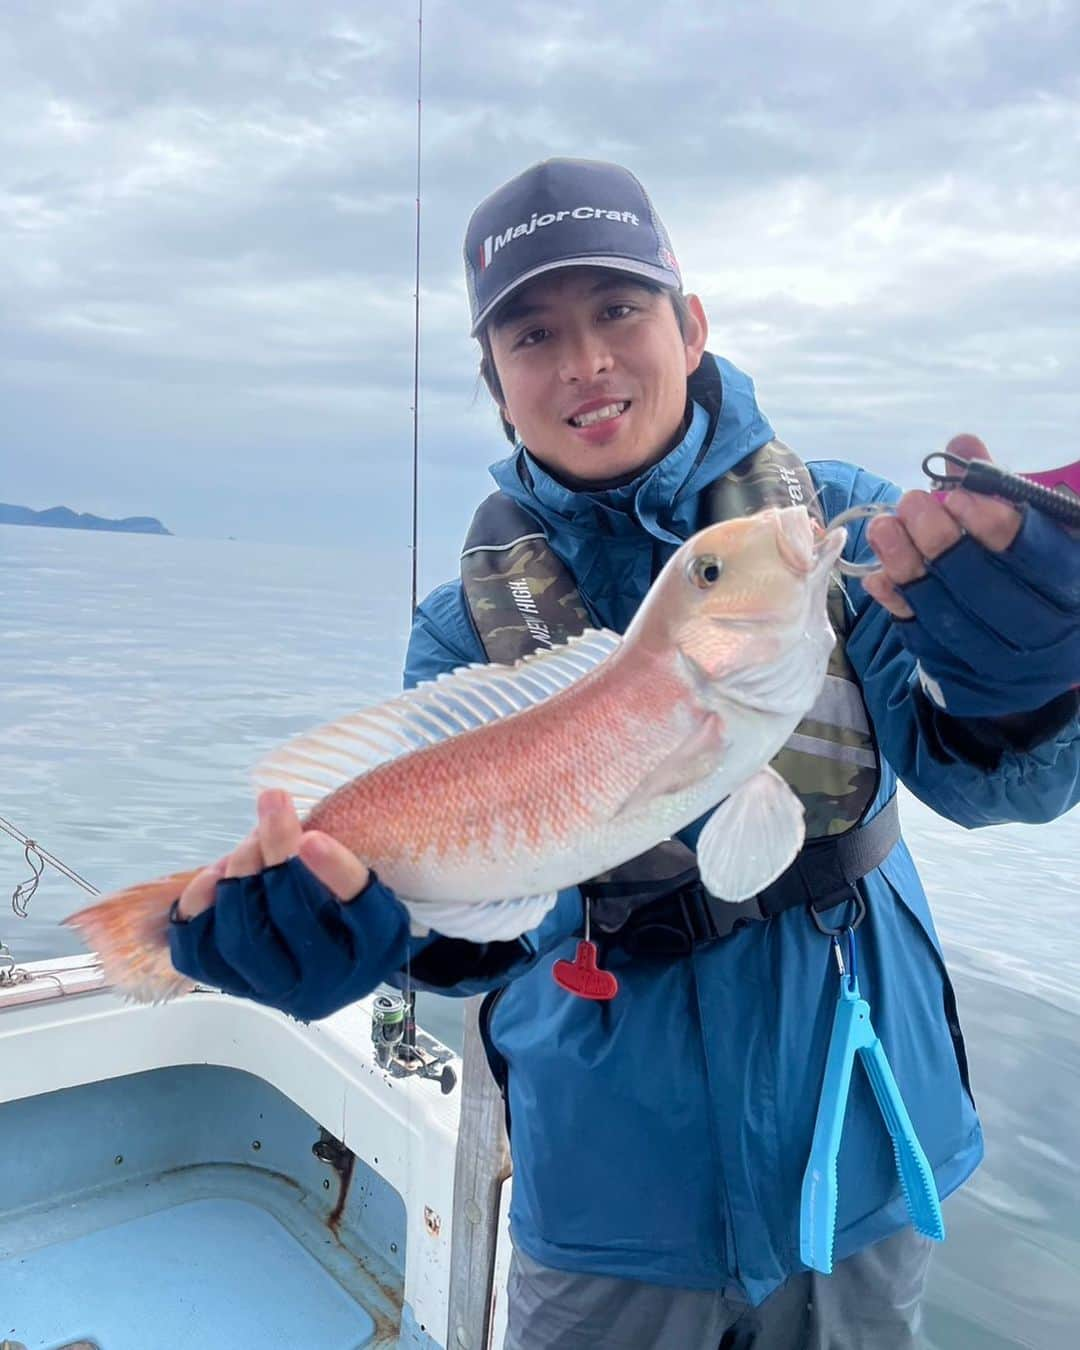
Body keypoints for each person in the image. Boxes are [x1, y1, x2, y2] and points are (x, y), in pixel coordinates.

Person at [169, 159, 1080, 1348]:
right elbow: (475, 918)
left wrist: (1025, 687)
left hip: (853, 1131)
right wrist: (368, 936)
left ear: (691, 326)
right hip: (608, 1185)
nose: (585, 361)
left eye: (619, 310)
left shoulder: (834, 525)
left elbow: (988, 780)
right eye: (534, 334)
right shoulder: (464, 627)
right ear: (496, 385)